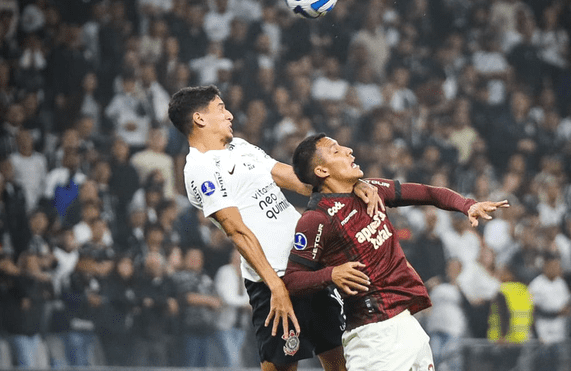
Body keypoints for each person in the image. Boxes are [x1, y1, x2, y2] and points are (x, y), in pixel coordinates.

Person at [167, 84, 381, 371]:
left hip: (308, 269)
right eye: (220, 108)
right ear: (199, 119)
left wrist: (350, 186)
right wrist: (276, 287)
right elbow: (236, 230)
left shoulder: (240, 147)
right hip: (273, 281)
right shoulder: (199, 170)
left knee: (340, 363)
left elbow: (294, 178)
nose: (229, 114)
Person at [283, 133, 509, 371]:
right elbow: (293, 279)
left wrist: (466, 205)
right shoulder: (316, 219)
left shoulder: (372, 189)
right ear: (321, 171)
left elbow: (428, 194)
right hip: (373, 338)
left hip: (407, 325)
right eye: (336, 151)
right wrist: (331, 275)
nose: (348, 150)